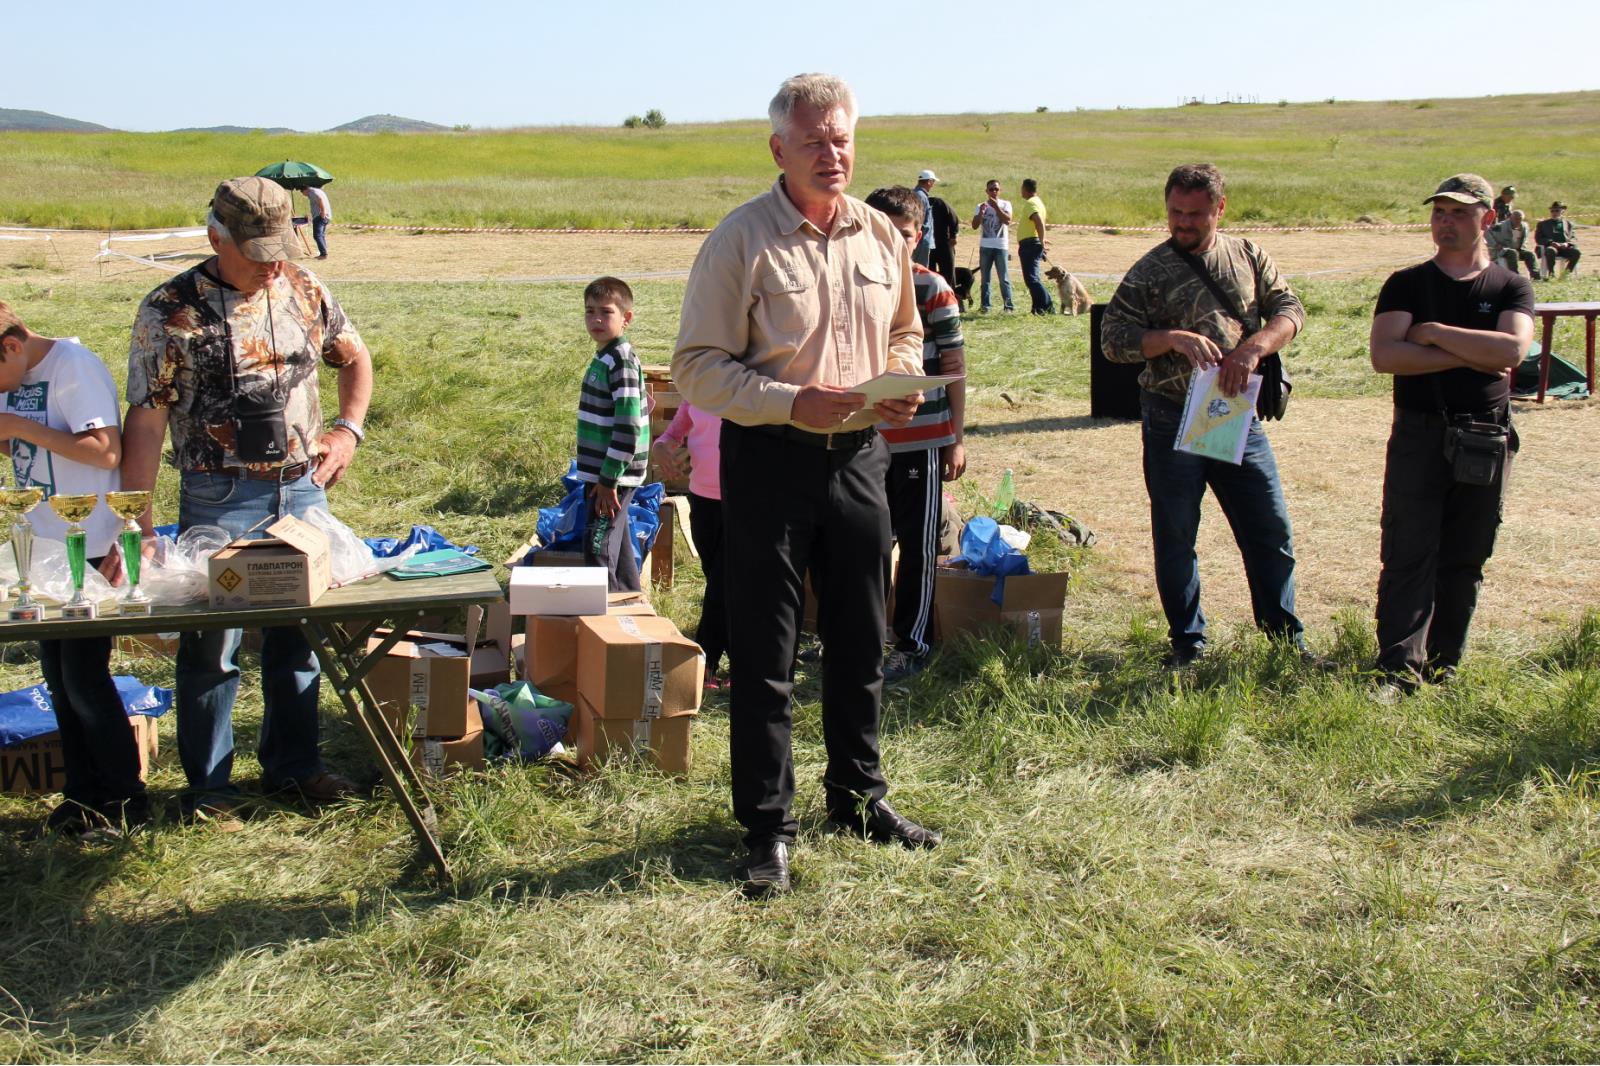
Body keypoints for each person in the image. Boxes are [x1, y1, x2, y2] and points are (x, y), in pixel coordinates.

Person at [672, 73, 938, 899]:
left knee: (861, 637)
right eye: (815, 141)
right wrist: (792, 401)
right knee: (767, 652)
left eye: (843, 139)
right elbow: (696, 368)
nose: (833, 154)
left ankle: (860, 799)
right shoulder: (740, 241)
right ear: (778, 148)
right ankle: (767, 830)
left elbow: (906, 330)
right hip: (770, 461)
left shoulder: (880, 234)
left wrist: (901, 376)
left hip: (860, 459)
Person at [121, 176, 373, 822]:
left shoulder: (305, 287)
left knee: (300, 636)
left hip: (302, 490)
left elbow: (354, 356)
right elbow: (146, 422)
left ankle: (295, 768)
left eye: (279, 250)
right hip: (219, 495)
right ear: (216, 238)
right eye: (257, 253)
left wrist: (347, 431)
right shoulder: (169, 311)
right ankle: (210, 789)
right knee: (212, 647)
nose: (271, 266)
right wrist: (139, 523)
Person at [1101, 163, 1307, 667]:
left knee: (1269, 529)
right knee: (1176, 537)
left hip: (1236, 417)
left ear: (1221, 208)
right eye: (1175, 212)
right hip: (1171, 419)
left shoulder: (1248, 254)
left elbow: (1290, 311)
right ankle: (1188, 644)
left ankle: (1286, 642)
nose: (1183, 223)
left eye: (1195, 214)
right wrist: (1169, 339)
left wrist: (1253, 349)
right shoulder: (1149, 270)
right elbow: (1112, 340)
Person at [1369, 173, 1533, 695]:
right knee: (1407, 551)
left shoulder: (1510, 286)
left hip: (1485, 435)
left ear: (1488, 218)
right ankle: (1397, 670)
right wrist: (1473, 354)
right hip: (1419, 433)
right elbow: (1386, 355)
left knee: (1466, 553)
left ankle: (1444, 666)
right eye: (1439, 212)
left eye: (1460, 213)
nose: (1446, 222)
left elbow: (1511, 352)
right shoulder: (1406, 284)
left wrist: (1434, 334)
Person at [0, 303, 148, 836]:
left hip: (88, 543)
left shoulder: (73, 366)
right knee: (58, 679)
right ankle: (83, 795)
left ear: (11, 346)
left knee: (85, 679)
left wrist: (16, 425)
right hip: (42, 548)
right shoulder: (15, 373)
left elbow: (105, 452)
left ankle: (125, 798)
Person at [864, 186, 968, 684]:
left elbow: (953, 366)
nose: (891, 244)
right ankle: (859, 637)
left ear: (919, 235)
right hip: (860, 439)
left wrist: (955, 437)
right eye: (881, 232)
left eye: (903, 235)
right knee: (863, 543)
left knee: (918, 544)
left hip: (920, 441)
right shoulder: (852, 285)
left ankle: (912, 643)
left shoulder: (932, 288)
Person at [574, 276, 649, 593]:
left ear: (626, 318)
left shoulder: (620, 360)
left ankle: (603, 614)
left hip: (611, 478)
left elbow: (628, 426)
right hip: (603, 475)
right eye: (590, 312)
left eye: (606, 312)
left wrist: (608, 480)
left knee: (598, 546)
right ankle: (630, 600)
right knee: (615, 546)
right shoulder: (605, 356)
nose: (596, 320)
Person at [650, 402, 727, 686]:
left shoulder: (747, 386)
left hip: (744, 501)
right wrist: (661, 450)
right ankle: (739, 656)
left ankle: (706, 658)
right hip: (702, 501)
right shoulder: (696, 391)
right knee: (718, 580)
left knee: (723, 582)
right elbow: (670, 436)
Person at [971, 179, 1015, 313]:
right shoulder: (980, 206)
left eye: (996, 189)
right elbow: (974, 226)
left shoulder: (1006, 204)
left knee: (1004, 278)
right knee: (985, 278)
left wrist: (996, 207)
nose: (994, 192)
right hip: (985, 246)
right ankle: (985, 306)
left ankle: (1008, 306)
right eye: (991, 189)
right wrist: (981, 213)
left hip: (1001, 246)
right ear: (986, 191)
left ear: (1000, 191)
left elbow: (1007, 220)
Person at [1017, 178, 1053, 314]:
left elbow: (1038, 222)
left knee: (1032, 279)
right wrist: (1041, 239)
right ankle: (1037, 308)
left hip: (1030, 245)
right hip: (1032, 243)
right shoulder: (1038, 202)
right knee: (1032, 279)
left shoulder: (1031, 203)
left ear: (1025, 189)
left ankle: (1048, 306)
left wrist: (1041, 240)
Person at [1487, 209, 1542, 279]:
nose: (1517, 221)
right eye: (1515, 219)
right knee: (1513, 253)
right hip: (1504, 250)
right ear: (1511, 218)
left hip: (1519, 249)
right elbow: (1487, 232)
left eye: (1520, 219)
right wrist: (1495, 244)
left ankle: (1536, 276)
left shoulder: (1524, 227)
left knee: (1530, 254)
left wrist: (1522, 247)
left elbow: (1523, 240)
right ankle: (1515, 276)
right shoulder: (1501, 226)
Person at [1535, 201, 1581, 279]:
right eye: (1552, 211)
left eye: (1557, 211)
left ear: (1562, 211)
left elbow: (1573, 238)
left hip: (1564, 248)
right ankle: (1551, 274)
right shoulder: (1543, 224)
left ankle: (1565, 275)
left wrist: (1567, 244)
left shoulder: (1568, 224)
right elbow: (1538, 238)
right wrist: (1551, 242)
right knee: (1550, 250)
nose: (1554, 213)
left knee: (1576, 253)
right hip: (1551, 247)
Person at [927, 192, 961, 293]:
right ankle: (932, 297)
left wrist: (953, 235)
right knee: (929, 273)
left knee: (948, 273)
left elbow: (953, 217)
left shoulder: (938, 203)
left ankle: (950, 297)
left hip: (944, 243)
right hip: (928, 245)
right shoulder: (917, 204)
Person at [912, 170, 938, 266]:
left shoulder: (915, 193)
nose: (933, 185)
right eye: (933, 182)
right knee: (919, 268)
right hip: (921, 240)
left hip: (918, 239)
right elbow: (920, 219)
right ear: (929, 182)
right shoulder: (921, 196)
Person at [305, 184, 332, 259]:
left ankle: (323, 254)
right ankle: (324, 252)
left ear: (305, 190)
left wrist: (323, 211)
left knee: (317, 235)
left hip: (320, 216)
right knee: (321, 235)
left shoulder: (312, 192)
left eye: (302, 192)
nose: (304, 195)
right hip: (325, 216)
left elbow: (319, 199)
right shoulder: (318, 191)